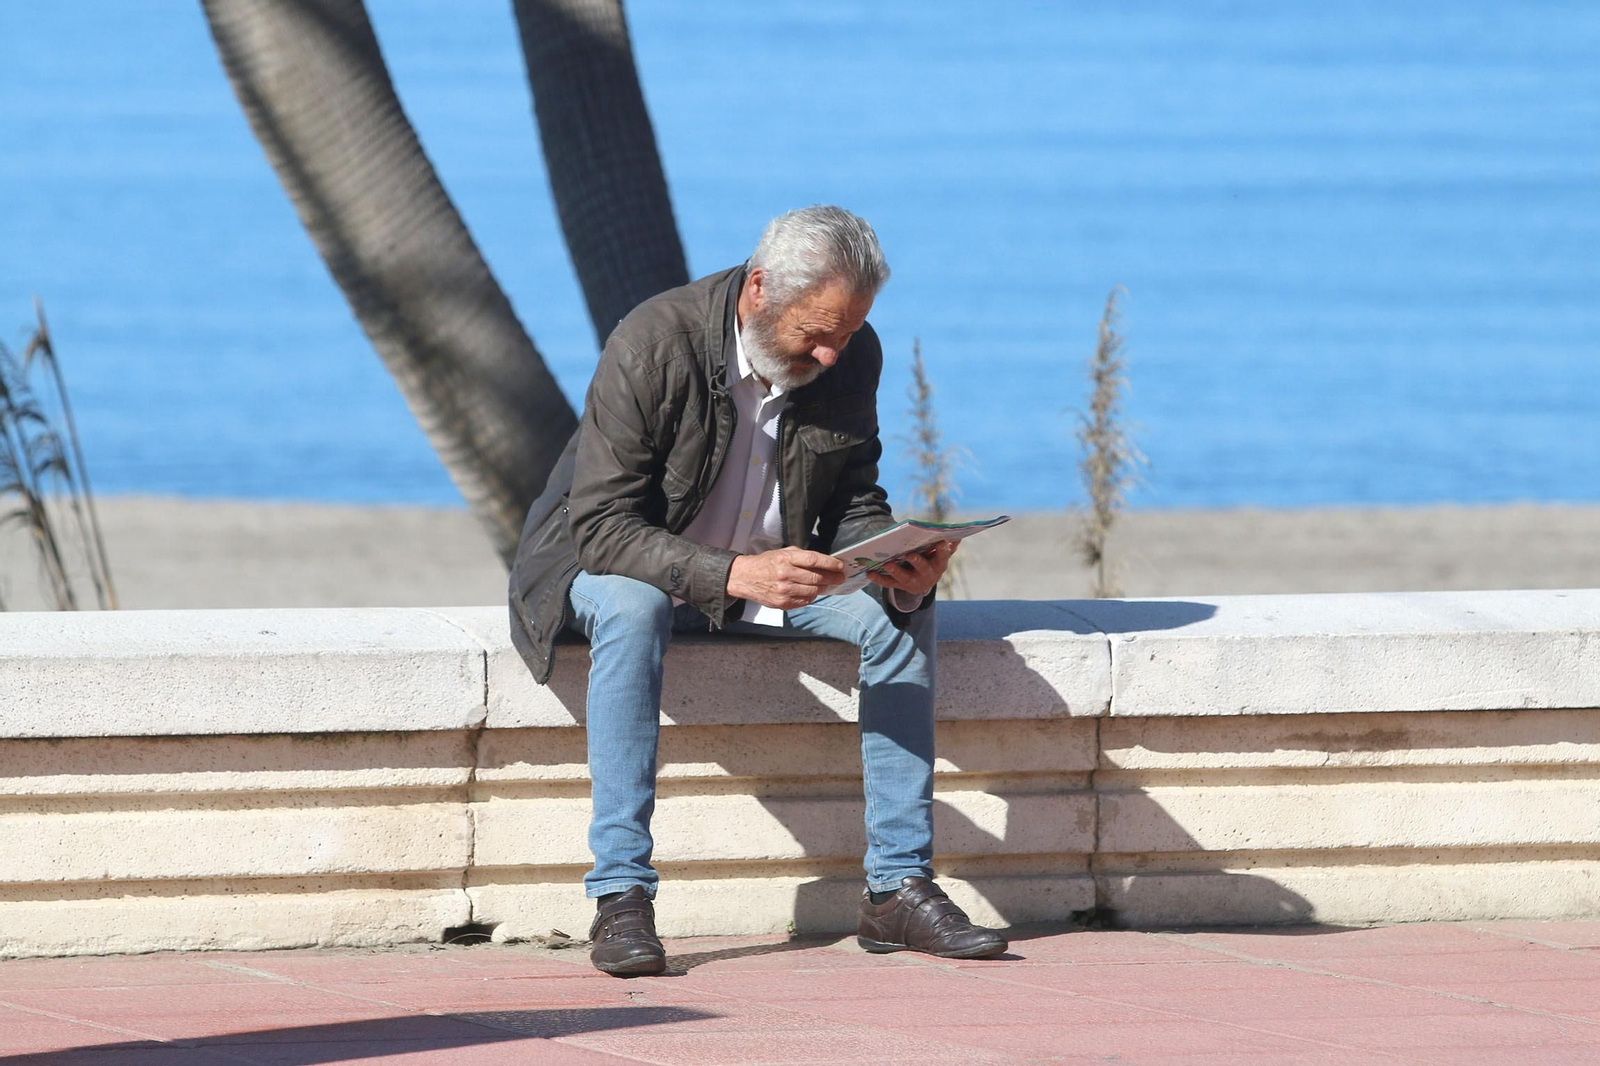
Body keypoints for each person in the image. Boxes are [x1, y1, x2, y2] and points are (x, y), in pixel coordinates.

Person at [508, 205, 1007, 976]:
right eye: (817, 330)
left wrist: (894, 563)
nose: (834, 352)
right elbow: (601, 528)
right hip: (609, 571)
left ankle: (897, 889)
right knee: (636, 605)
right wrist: (732, 572)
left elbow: (852, 504)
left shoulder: (850, 354)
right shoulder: (654, 341)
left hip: (759, 576)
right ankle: (621, 897)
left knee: (901, 613)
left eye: (847, 331)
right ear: (760, 288)